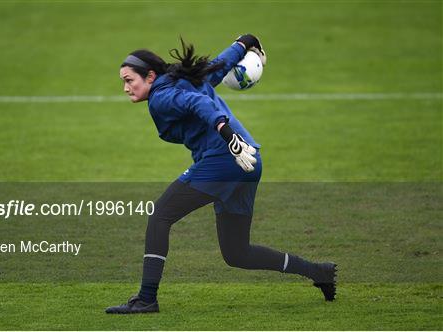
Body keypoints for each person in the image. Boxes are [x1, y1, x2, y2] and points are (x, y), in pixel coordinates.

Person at [106, 34, 337, 314]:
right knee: (237, 252)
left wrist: (227, 135)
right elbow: (220, 64)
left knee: (159, 217)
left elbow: (198, 105)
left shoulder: (162, 97)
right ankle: (319, 272)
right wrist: (244, 42)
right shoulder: (190, 79)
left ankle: (146, 298)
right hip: (249, 160)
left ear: (151, 76)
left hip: (226, 158)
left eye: (129, 80)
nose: (126, 88)